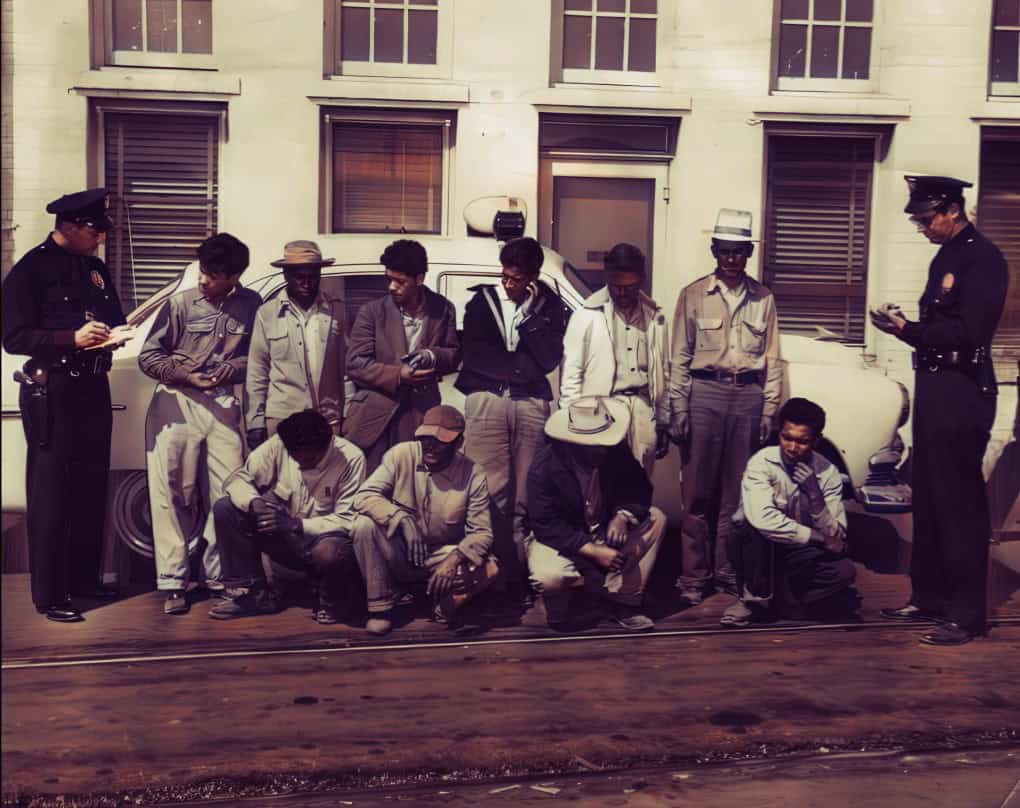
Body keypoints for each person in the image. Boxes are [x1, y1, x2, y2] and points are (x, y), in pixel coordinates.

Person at [871, 175, 1009, 646]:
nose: (922, 227)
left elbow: (969, 333)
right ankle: (928, 598)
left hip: (963, 390)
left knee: (959, 505)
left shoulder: (983, 258)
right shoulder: (946, 256)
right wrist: (905, 327)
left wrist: (905, 329)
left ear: (952, 210)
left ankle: (966, 614)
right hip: (935, 387)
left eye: (927, 219)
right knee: (929, 499)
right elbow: (938, 326)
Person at [1, 188, 126, 622]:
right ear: (70, 226)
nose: (100, 238)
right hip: (53, 390)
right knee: (51, 493)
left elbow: (114, 317)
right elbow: (14, 338)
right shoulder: (30, 271)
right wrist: (70, 338)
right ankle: (51, 595)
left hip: (93, 387)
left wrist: (114, 335)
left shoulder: (94, 269)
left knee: (91, 487)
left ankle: (84, 580)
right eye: (94, 230)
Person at [138, 233, 261, 616]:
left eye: (213, 274)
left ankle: (220, 577)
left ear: (234, 277)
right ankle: (173, 582)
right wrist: (184, 375)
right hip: (175, 401)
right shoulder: (180, 303)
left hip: (224, 403)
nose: (204, 279)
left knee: (228, 491)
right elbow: (148, 356)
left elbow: (258, 356)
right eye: (203, 271)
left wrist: (231, 368)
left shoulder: (252, 305)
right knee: (171, 490)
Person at [669, 209, 782, 605]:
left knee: (737, 494)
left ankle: (727, 571)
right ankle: (693, 576)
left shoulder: (763, 298)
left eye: (739, 251)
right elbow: (679, 356)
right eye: (725, 251)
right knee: (697, 493)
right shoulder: (693, 294)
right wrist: (679, 407)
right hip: (704, 394)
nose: (732, 259)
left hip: (747, 396)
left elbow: (772, 358)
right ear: (714, 250)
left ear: (749, 253)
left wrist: (769, 408)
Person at [456, 236, 569, 601]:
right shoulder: (481, 301)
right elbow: (473, 354)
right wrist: (518, 370)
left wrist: (531, 317)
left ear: (533, 277)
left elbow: (549, 357)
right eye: (504, 276)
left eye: (517, 279)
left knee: (526, 493)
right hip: (488, 400)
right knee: (491, 492)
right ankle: (490, 576)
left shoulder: (551, 307)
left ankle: (519, 577)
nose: (508, 284)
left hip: (531, 403)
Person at [350, 405, 499, 636]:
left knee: (489, 568)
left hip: (440, 556)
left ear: (458, 443)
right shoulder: (400, 454)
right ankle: (380, 608)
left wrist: (453, 559)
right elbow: (363, 496)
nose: (430, 446)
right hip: (399, 552)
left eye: (441, 441)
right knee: (363, 524)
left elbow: (482, 533)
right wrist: (401, 518)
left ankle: (444, 606)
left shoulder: (473, 473)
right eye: (426, 438)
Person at [210, 409, 366, 622]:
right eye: (294, 457)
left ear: (327, 445)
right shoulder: (279, 443)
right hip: (285, 539)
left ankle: (332, 600)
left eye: (310, 458)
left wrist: (296, 524)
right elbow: (238, 479)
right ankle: (256, 595)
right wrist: (254, 502)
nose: (301, 464)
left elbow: (348, 519)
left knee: (329, 551)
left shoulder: (352, 457)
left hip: (324, 541)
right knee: (226, 508)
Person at [527, 396, 667, 632]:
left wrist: (623, 515)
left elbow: (640, 489)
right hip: (565, 539)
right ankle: (561, 603)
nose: (603, 448)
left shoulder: (615, 451)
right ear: (574, 443)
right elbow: (545, 524)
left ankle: (623, 600)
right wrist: (591, 549)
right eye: (595, 444)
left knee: (657, 519)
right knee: (549, 576)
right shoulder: (544, 467)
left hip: (603, 530)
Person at [720, 398, 858, 628]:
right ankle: (753, 599)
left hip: (801, 552)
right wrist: (820, 537)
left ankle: (779, 603)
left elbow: (837, 536)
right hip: (764, 547)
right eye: (787, 438)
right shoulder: (762, 462)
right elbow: (764, 520)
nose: (792, 448)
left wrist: (815, 496)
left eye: (802, 441)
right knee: (745, 528)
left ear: (816, 440)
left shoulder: (828, 472)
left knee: (845, 572)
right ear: (779, 433)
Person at [343, 240, 461, 472]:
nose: (392, 287)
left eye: (400, 281)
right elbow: (355, 363)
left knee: (413, 477)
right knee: (372, 479)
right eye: (389, 279)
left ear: (420, 279)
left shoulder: (443, 308)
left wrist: (431, 356)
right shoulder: (371, 312)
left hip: (421, 414)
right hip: (374, 417)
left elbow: (453, 354)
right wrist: (398, 375)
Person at [559, 243, 671, 477]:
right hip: (601, 412)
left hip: (643, 413)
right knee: (600, 484)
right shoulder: (586, 315)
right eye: (616, 286)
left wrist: (663, 421)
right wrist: (573, 425)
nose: (622, 293)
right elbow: (571, 376)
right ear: (607, 278)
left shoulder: (656, 317)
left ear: (641, 281)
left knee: (640, 484)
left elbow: (663, 373)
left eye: (629, 287)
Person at [246, 240, 345, 449]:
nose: (307, 283)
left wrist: (347, 414)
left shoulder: (336, 310)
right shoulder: (267, 314)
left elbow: (346, 370)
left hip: (327, 419)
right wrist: (255, 422)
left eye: (313, 276)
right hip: (282, 419)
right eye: (300, 277)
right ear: (286, 275)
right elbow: (257, 372)